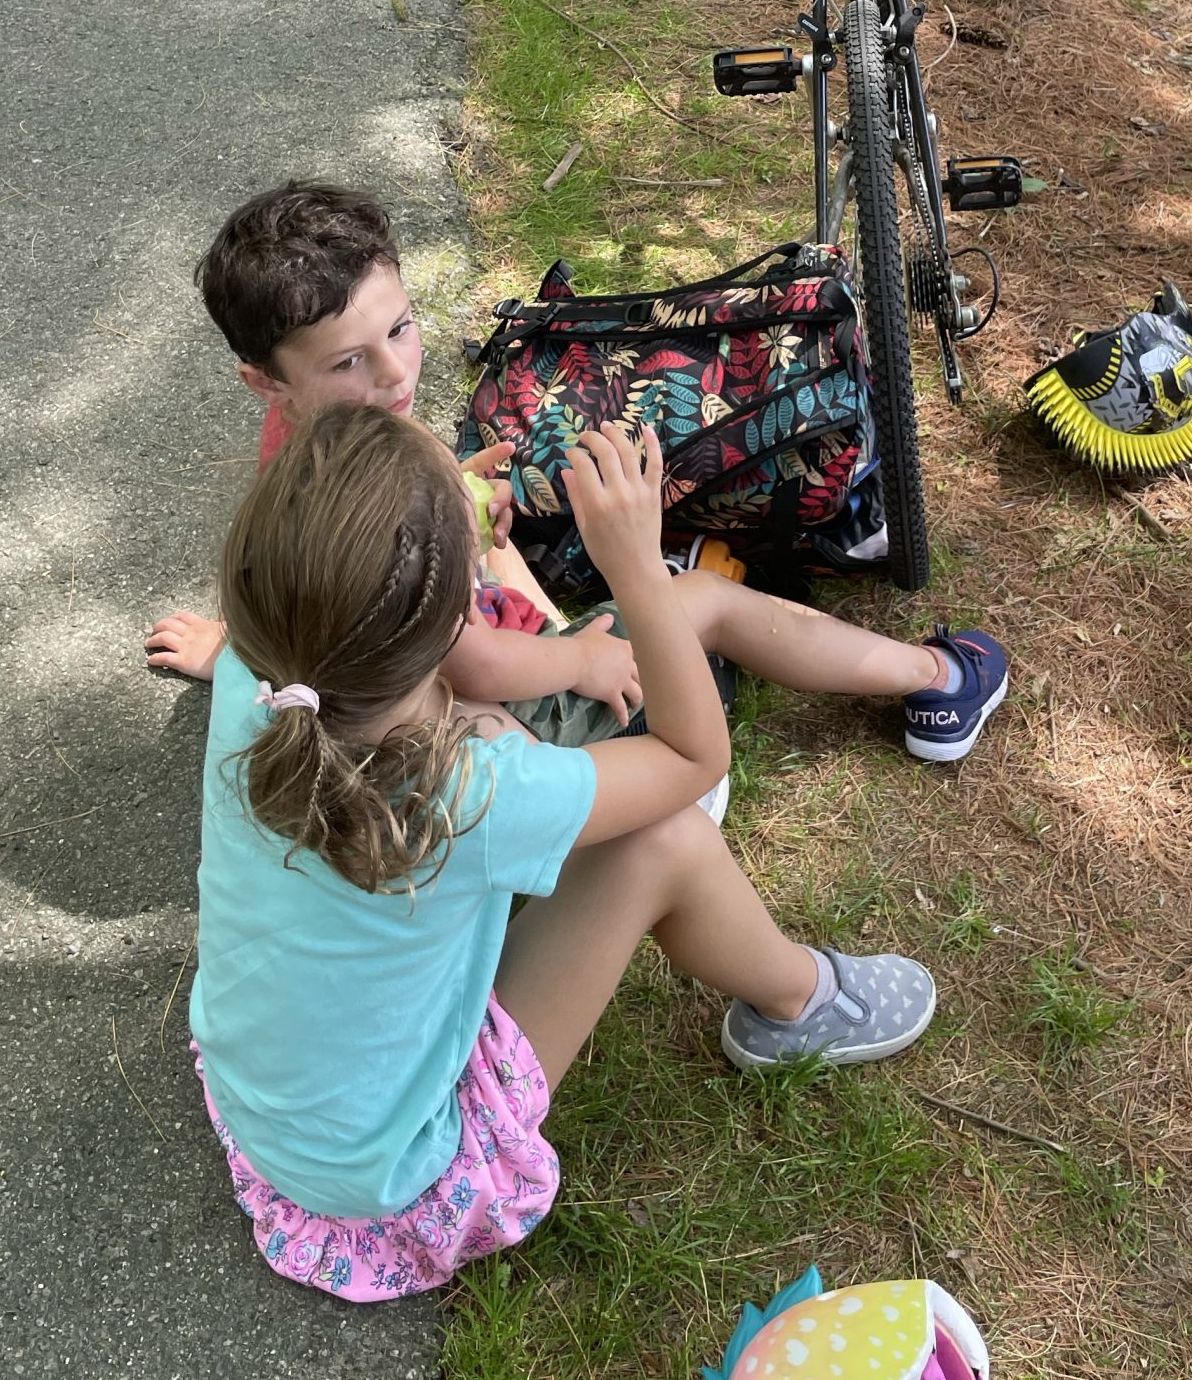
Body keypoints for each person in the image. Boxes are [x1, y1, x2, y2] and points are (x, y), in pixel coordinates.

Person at [193, 407, 941, 1300]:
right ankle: (798, 1001)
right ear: (447, 628)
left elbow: (435, 667)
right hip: (399, 1185)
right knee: (664, 835)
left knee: (519, 740)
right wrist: (636, 566)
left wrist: (426, 538)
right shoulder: (474, 792)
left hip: (270, 1114)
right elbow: (694, 758)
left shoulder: (262, 673)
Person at [145, 181, 1009, 765]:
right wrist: (580, 660)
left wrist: (236, 650)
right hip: (529, 739)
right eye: (349, 363)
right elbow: (473, 664)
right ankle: (938, 682)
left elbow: (315, 598)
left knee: (655, 580)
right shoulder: (374, 511)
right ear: (266, 378)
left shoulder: (303, 455)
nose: (395, 375)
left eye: (400, 330)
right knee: (702, 600)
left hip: (462, 709)